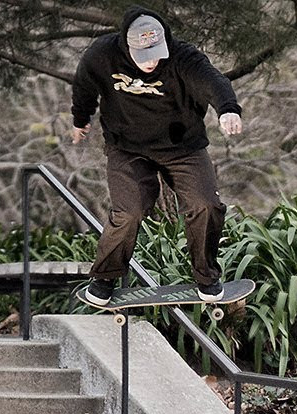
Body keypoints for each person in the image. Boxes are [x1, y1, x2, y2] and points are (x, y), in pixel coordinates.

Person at [71, 6, 243, 305]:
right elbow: (84, 86)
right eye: (143, 55)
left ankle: (206, 277)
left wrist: (227, 108)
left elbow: (214, 81)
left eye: (155, 53)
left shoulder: (184, 57)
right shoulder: (102, 55)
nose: (151, 62)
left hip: (183, 147)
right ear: (126, 45)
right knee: (129, 212)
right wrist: (80, 118)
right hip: (127, 148)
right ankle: (104, 279)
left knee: (206, 206)